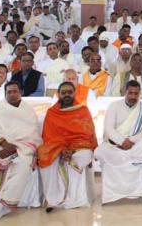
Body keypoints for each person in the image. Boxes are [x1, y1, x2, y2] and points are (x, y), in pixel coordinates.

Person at [0, 81, 42, 221]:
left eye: (14, 91)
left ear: (20, 92)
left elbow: (32, 134)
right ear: (5, 94)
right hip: (0, 147)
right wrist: (3, 144)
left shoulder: (28, 110)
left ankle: (4, 205)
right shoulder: (0, 107)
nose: (12, 94)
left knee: (23, 168)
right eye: (8, 92)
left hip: (23, 149)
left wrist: (15, 147)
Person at [94, 80, 142, 203]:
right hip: (114, 146)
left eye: (136, 94)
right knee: (98, 152)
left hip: (132, 146)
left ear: (139, 94)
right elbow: (108, 128)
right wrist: (121, 141)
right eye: (130, 93)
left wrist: (130, 142)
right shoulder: (114, 106)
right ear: (125, 92)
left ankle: (127, 158)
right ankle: (129, 159)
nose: (133, 96)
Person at [38, 82, 98, 211]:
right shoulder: (52, 112)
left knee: (80, 157)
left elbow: (89, 134)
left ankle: (73, 200)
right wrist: (62, 149)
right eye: (63, 92)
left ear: (74, 93)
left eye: (69, 92)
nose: (66, 95)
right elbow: (49, 136)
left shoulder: (82, 110)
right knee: (44, 158)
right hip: (58, 147)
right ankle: (53, 199)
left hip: (81, 146)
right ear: (58, 94)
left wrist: (74, 149)